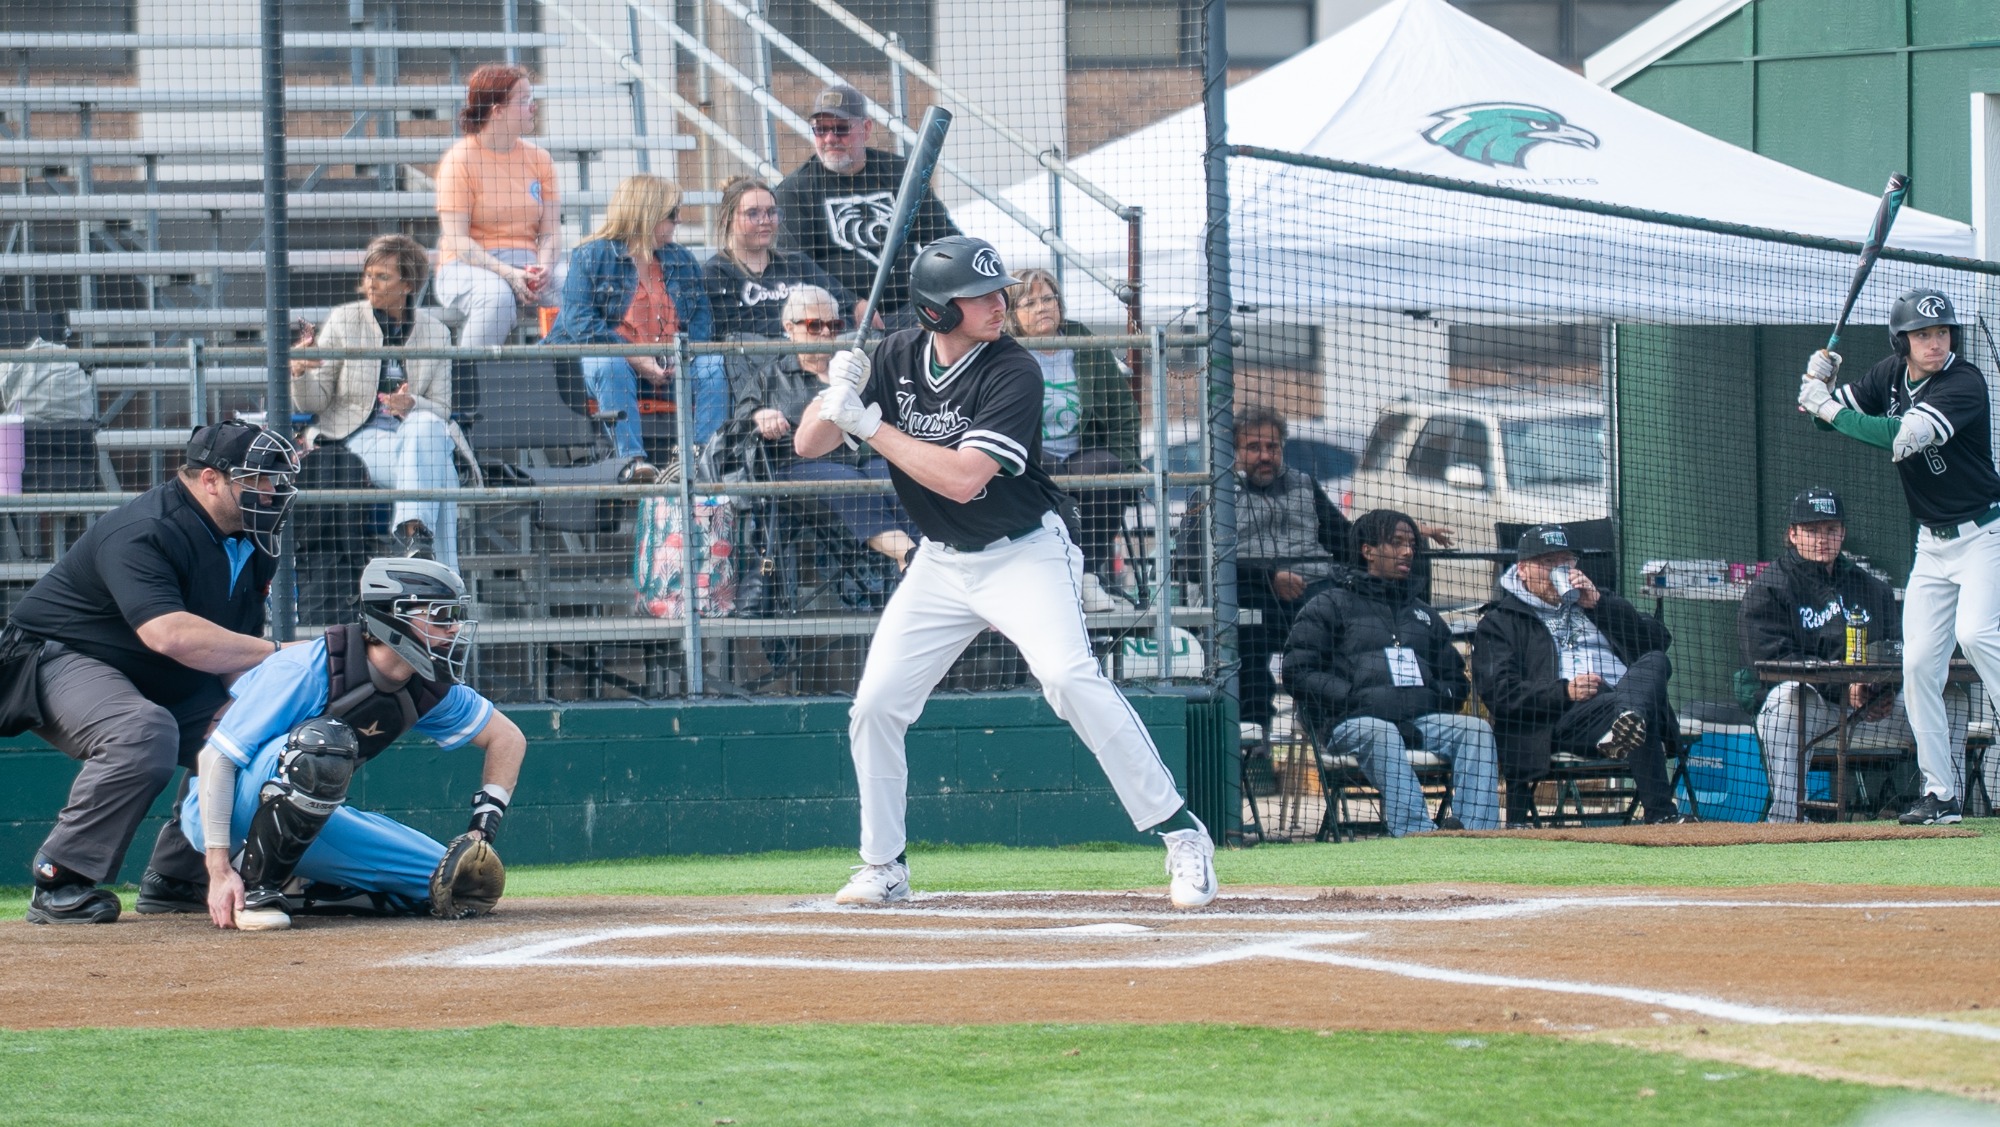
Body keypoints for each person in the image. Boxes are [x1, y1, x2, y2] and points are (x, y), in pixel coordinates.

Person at [795, 235, 1216, 908]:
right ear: (938, 310)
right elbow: (806, 444)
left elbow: (963, 479)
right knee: (875, 705)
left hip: (1023, 552)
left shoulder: (1015, 370)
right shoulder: (896, 354)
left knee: (1068, 678)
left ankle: (1181, 833)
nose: (1001, 304)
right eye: (982, 296)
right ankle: (883, 864)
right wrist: (834, 394)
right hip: (940, 562)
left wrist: (869, 427)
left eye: (999, 292)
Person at [5, 420, 299, 923]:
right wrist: (284, 652)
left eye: (277, 480)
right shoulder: (145, 529)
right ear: (210, 479)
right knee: (142, 731)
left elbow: (231, 653)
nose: (273, 492)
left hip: (158, 674)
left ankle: (176, 876)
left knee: (252, 733)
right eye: (258, 479)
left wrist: (246, 712)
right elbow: (171, 635)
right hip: (54, 657)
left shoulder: (251, 540)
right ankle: (61, 879)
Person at [171, 557, 525, 931]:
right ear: (394, 616)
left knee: (457, 883)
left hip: (307, 814)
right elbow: (217, 760)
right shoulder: (306, 668)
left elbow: (507, 738)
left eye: (454, 618)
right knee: (324, 745)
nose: (453, 630)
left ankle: (313, 886)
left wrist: (481, 830)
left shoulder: (429, 688)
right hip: (222, 812)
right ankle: (258, 890)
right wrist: (218, 867)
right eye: (439, 617)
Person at [1798, 289, 2000, 825]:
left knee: (1978, 633)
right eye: (1922, 335)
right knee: (1917, 665)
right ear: (1902, 342)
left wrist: (1826, 406)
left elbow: (1900, 436)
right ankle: (1941, 795)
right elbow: (1824, 418)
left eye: (1941, 332)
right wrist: (1817, 384)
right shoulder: (1890, 374)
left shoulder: (1964, 383)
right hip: (1932, 545)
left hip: (1984, 534)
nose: (1935, 343)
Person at [1738, 487, 1962, 823]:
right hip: (1815, 712)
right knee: (1788, 698)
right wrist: (1844, 690)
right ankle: (1786, 818)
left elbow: (1899, 649)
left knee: (1950, 699)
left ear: (1842, 532)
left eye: (1830, 530)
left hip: (1873, 711)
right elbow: (1769, 662)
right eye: (1812, 530)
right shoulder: (1769, 589)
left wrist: (1883, 692)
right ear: (1793, 534)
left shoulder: (1871, 588)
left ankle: (1947, 802)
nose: (1822, 539)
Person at [1282, 510, 1500, 836]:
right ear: (1367, 551)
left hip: (1415, 722)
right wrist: (1349, 696)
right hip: (1348, 723)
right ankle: (1417, 833)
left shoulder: (1422, 613)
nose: (1408, 552)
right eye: (1396, 543)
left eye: (1412, 544)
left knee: (1476, 730)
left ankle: (1477, 834)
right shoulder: (1329, 604)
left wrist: (1439, 696)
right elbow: (1297, 671)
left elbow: (1455, 677)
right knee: (1380, 731)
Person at [1472, 524, 1691, 825]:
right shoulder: (1500, 621)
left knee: (1653, 663)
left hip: (1616, 706)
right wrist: (1565, 691)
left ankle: (1627, 718)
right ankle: (1662, 816)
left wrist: (1601, 605)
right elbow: (1500, 694)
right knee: (1637, 712)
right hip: (1559, 719)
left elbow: (1657, 641)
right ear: (1522, 570)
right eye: (1548, 562)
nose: (1559, 570)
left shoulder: (1596, 601)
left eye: (1566, 562)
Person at [291, 233, 463, 568]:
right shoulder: (345, 320)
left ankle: (417, 540)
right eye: (368, 275)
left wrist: (413, 403)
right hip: (358, 437)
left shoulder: (436, 333)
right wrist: (300, 374)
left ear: (408, 284)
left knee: (426, 426)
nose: (371, 284)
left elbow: (441, 409)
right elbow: (316, 402)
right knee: (442, 474)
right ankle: (443, 586)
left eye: (383, 277)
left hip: (417, 437)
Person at [545, 172, 726, 480]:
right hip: (611, 369)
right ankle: (632, 463)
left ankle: (700, 459)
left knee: (712, 364)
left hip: (670, 367)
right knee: (609, 362)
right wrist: (636, 357)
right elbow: (580, 323)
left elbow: (700, 319)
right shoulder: (591, 256)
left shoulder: (681, 258)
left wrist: (679, 357)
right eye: (672, 214)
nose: (679, 221)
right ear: (647, 214)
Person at [718, 285, 915, 566]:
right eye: (814, 325)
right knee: (850, 485)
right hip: (798, 465)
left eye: (834, 326)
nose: (825, 333)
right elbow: (740, 422)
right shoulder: (771, 376)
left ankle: (918, 564)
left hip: (860, 458)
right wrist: (760, 416)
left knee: (898, 476)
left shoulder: (852, 368)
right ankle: (910, 555)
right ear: (790, 327)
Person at [1004, 266, 1140, 613]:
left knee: (1108, 469)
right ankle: (1052, 578)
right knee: (1038, 474)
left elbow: (1121, 408)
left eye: (1048, 298)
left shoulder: (1083, 342)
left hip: (1079, 453)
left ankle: (1089, 576)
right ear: (1013, 315)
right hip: (1031, 455)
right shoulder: (1005, 352)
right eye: (1029, 302)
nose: (1042, 307)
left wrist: (1129, 464)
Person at [774, 83, 960, 330]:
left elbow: (942, 237)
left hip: (911, 307)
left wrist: (939, 297)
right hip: (839, 320)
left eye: (841, 129)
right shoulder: (795, 190)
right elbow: (795, 266)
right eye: (820, 129)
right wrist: (850, 303)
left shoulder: (900, 173)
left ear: (866, 128)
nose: (830, 139)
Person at [434, 63, 565, 350]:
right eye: (524, 101)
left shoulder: (540, 159)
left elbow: (551, 232)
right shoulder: (460, 160)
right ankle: (468, 386)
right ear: (498, 110)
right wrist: (508, 273)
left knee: (574, 286)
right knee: (497, 296)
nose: (533, 107)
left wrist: (542, 267)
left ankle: (574, 385)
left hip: (528, 261)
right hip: (468, 264)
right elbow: (457, 239)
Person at [701, 175, 861, 340]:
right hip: (758, 361)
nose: (765, 220)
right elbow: (731, 328)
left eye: (771, 212)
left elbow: (845, 308)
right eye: (753, 213)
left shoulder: (797, 263)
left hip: (822, 356)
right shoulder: (716, 272)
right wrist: (805, 327)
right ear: (727, 219)